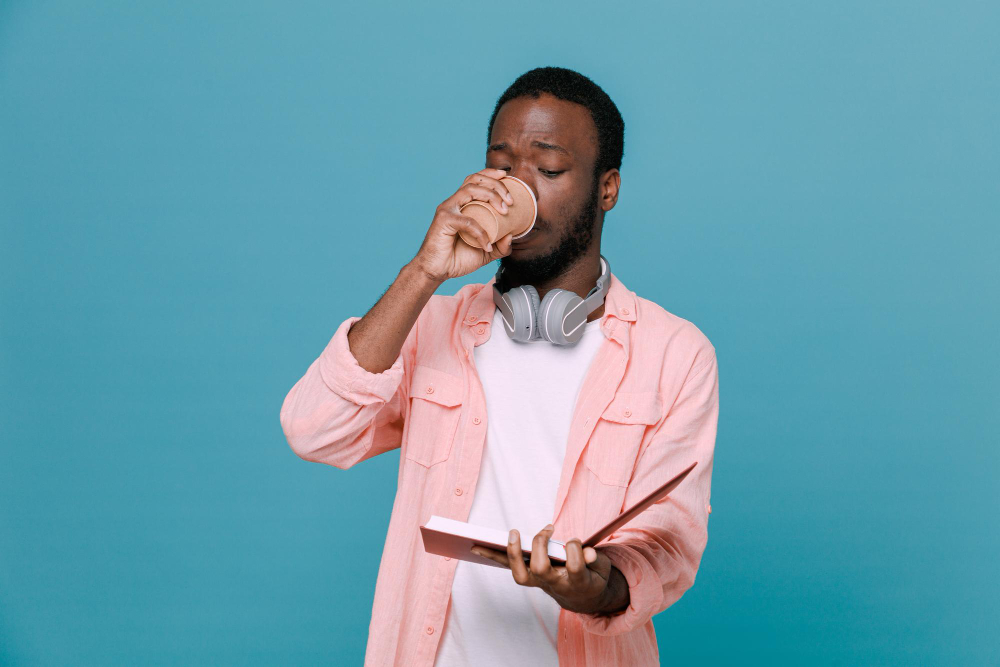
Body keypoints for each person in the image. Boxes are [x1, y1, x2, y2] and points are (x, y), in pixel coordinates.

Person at [279, 66, 720, 667]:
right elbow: (313, 430)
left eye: (550, 169)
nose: (519, 188)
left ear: (607, 188)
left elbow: (669, 547)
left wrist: (594, 586)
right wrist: (423, 273)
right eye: (503, 164)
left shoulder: (674, 353)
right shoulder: (430, 322)